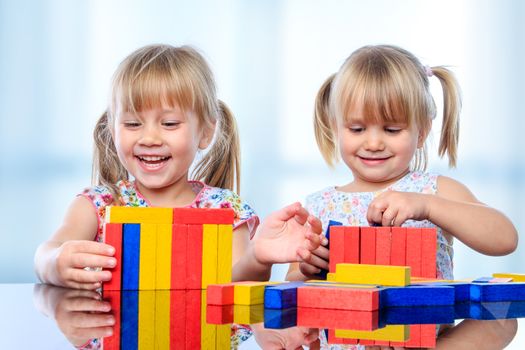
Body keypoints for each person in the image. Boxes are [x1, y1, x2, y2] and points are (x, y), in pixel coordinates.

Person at [286, 45, 518, 348]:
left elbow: (505, 239)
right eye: (356, 128)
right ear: (335, 128)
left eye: (392, 129)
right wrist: (307, 270)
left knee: (502, 316)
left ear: (421, 131)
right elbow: (289, 290)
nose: (373, 142)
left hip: (423, 340)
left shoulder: (435, 190)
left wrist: (427, 206)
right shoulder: (318, 205)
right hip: (349, 341)